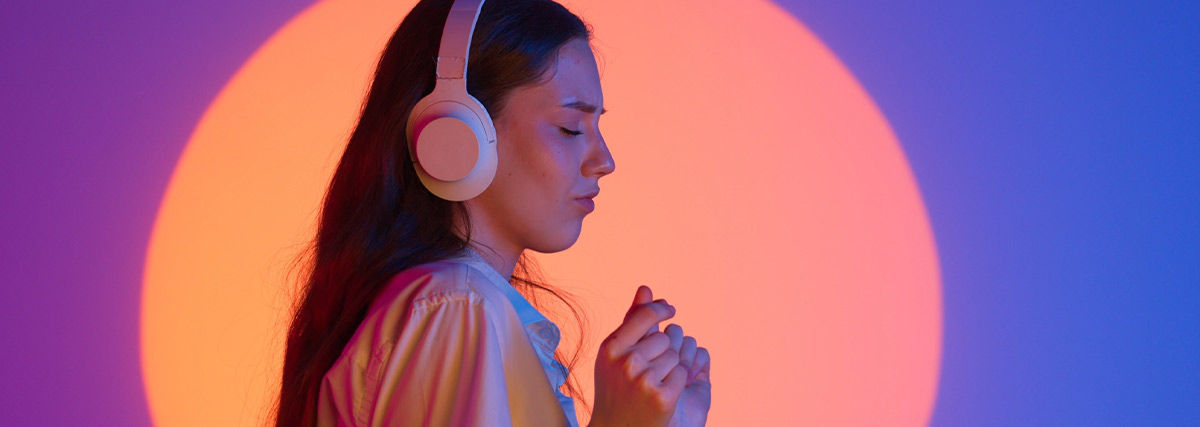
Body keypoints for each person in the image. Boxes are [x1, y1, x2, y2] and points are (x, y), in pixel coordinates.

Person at [275, 0, 712, 425]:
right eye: (570, 128)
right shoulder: (457, 307)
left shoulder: (452, 306)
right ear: (457, 133)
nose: (605, 161)